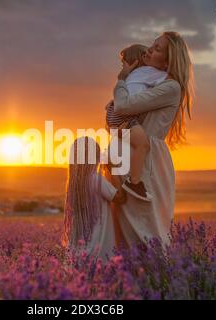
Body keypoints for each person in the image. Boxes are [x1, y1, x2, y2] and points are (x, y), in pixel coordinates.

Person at [110, 31, 195, 248]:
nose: (149, 50)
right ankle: (130, 281)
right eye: (152, 45)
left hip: (146, 162)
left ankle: (157, 279)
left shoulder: (170, 87)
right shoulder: (148, 79)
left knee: (147, 231)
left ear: (168, 62)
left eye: (157, 49)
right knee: (124, 235)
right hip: (127, 157)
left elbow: (123, 106)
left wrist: (121, 81)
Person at [106, 44, 168, 202]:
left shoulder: (131, 76)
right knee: (143, 145)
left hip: (114, 116)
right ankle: (134, 182)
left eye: (123, 63)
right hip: (123, 117)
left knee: (130, 144)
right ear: (141, 60)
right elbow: (169, 77)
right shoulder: (146, 72)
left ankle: (116, 169)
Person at [62, 136, 126, 261]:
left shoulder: (72, 184)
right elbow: (120, 198)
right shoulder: (96, 179)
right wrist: (112, 168)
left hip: (77, 253)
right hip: (99, 251)